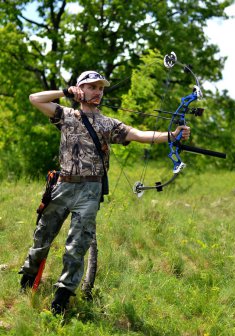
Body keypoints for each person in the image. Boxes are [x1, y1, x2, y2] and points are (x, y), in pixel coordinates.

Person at [19, 70, 190, 315]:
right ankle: (26, 283)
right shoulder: (66, 115)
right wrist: (65, 92)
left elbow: (140, 135)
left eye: (101, 88)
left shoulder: (108, 123)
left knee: (76, 246)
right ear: (81, 89)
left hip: (90, 190)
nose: (98, 92)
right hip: (63, 185)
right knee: (42, 238)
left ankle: (61, 299)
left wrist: (172, 136)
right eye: (92, 87)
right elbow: (35, 98)